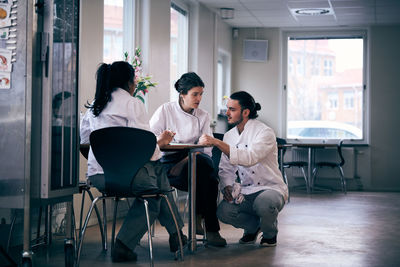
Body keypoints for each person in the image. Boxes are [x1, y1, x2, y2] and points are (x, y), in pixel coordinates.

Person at [80, 61, 187, 262]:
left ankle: (177, 235)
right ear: (130, 82)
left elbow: (85, 139)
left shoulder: (95, 105)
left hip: (98, 177)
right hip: (127, 177)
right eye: (135, 80)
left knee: (155, 178)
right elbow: (143, 148)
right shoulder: (132, 103)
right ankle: (128, 243)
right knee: (156, 179)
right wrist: (161, 143)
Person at [198, 91, 288, 247]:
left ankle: (269, 233)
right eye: (227, 108)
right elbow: (226, 168)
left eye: (232, 109)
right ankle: (253, 228)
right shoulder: (229, 135)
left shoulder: (265, 132)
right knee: (223, 211)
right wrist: (227, 185)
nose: (227, 113)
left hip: (270, 188)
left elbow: (249, 158)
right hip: (246, 191)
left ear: (245, 112)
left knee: (264, 204)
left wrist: (217, 142)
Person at [149, 72, 227, 247]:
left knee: (204, 169)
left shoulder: (203, 115)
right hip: (168, 164)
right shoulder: (165, 110)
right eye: (195, 94)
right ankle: (210, 229)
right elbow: (150, 141)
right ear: (182, 94)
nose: (199, 98)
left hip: (195, 160)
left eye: (201, 94)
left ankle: (201, 219)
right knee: (208, 178)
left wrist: (189, 157)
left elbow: (206, 148)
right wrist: (162, 139)